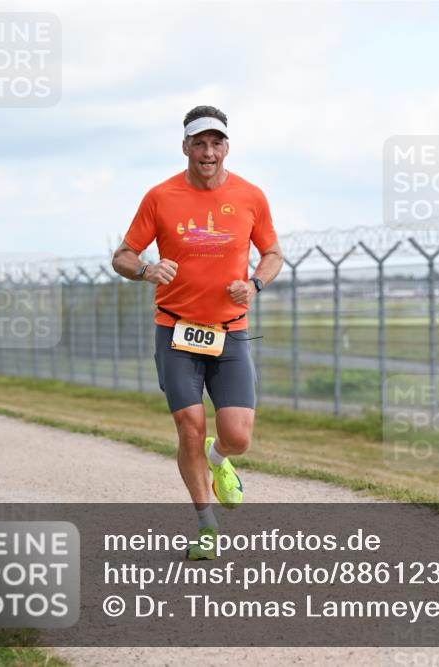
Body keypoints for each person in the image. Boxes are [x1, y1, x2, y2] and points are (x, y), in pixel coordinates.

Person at [112, 105, 283, 560]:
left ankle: (219, 457)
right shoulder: (160, 197)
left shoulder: (250, 196)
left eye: (216, 143)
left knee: (238, 435)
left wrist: (254, 284)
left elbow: (273, 254)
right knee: (190, 427)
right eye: (200, 143)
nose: (208, 152)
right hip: (176, 332)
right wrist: (147, 270)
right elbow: (123, 256)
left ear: (227, 147)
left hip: (230, 331)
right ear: (185, 146)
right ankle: (207, 526)